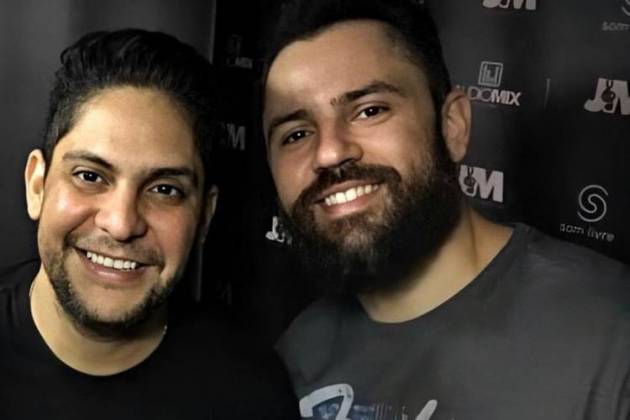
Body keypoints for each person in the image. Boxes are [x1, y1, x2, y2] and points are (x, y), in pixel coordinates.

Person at [260, 0, 630, 418]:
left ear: (453, 126)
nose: (328, 152)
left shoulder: (612, 337)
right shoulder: (293, 360)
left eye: (369, 110)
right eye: (296, 134)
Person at [0, 29, 298, 419]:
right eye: (90, 176)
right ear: (37, 186)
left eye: (164, 189)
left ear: (204, 217)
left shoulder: (253, 395)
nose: (121, 224)